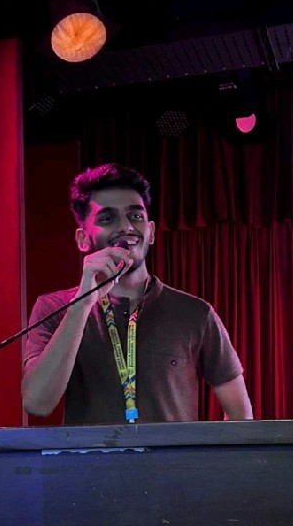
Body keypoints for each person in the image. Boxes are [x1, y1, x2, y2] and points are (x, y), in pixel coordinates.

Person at [22, 162, 253, 425]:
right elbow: (37, 403)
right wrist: (83, 304)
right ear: (83, 239)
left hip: (168, 455)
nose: (126, 227)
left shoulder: (195, 313)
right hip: (91, 456)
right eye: (107, 218)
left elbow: (240, 414)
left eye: (135, 216)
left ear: (151, 231)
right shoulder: (54, 308)